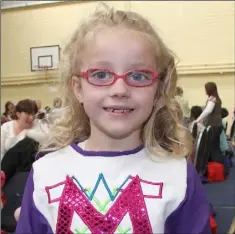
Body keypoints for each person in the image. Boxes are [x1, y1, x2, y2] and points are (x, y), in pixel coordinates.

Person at [16, 6, 211, 234]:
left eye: (138, 76)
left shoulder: (179, 177)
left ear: (158, 91)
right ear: (78, 88)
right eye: (101, 75)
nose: (119, 89)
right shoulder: (44, 174)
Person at [195, 82, 223, 163]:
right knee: (215, 147)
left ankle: (217, 167)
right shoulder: (217, 98)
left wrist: (198, 120)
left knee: (212, 148)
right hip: (218, 126)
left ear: (209, 89)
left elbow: (208, 111)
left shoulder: (212, 99)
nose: (205, 91)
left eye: (206, 89)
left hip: (213, 126)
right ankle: (221, 167)